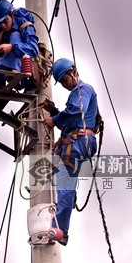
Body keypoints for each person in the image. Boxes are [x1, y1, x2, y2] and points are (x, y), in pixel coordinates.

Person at [42, 58, 98, 246]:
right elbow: (70, 120)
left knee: (65, 184)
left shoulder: (83, 90)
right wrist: (55, 111)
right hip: (74, 141)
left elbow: (74, 112)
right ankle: (56, 222)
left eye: (65, 80)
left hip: (78, 142)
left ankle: (59, 230)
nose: (65, 86)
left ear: (73, 72)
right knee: (50, 179)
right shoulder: (78, 93)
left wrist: (55, 119)